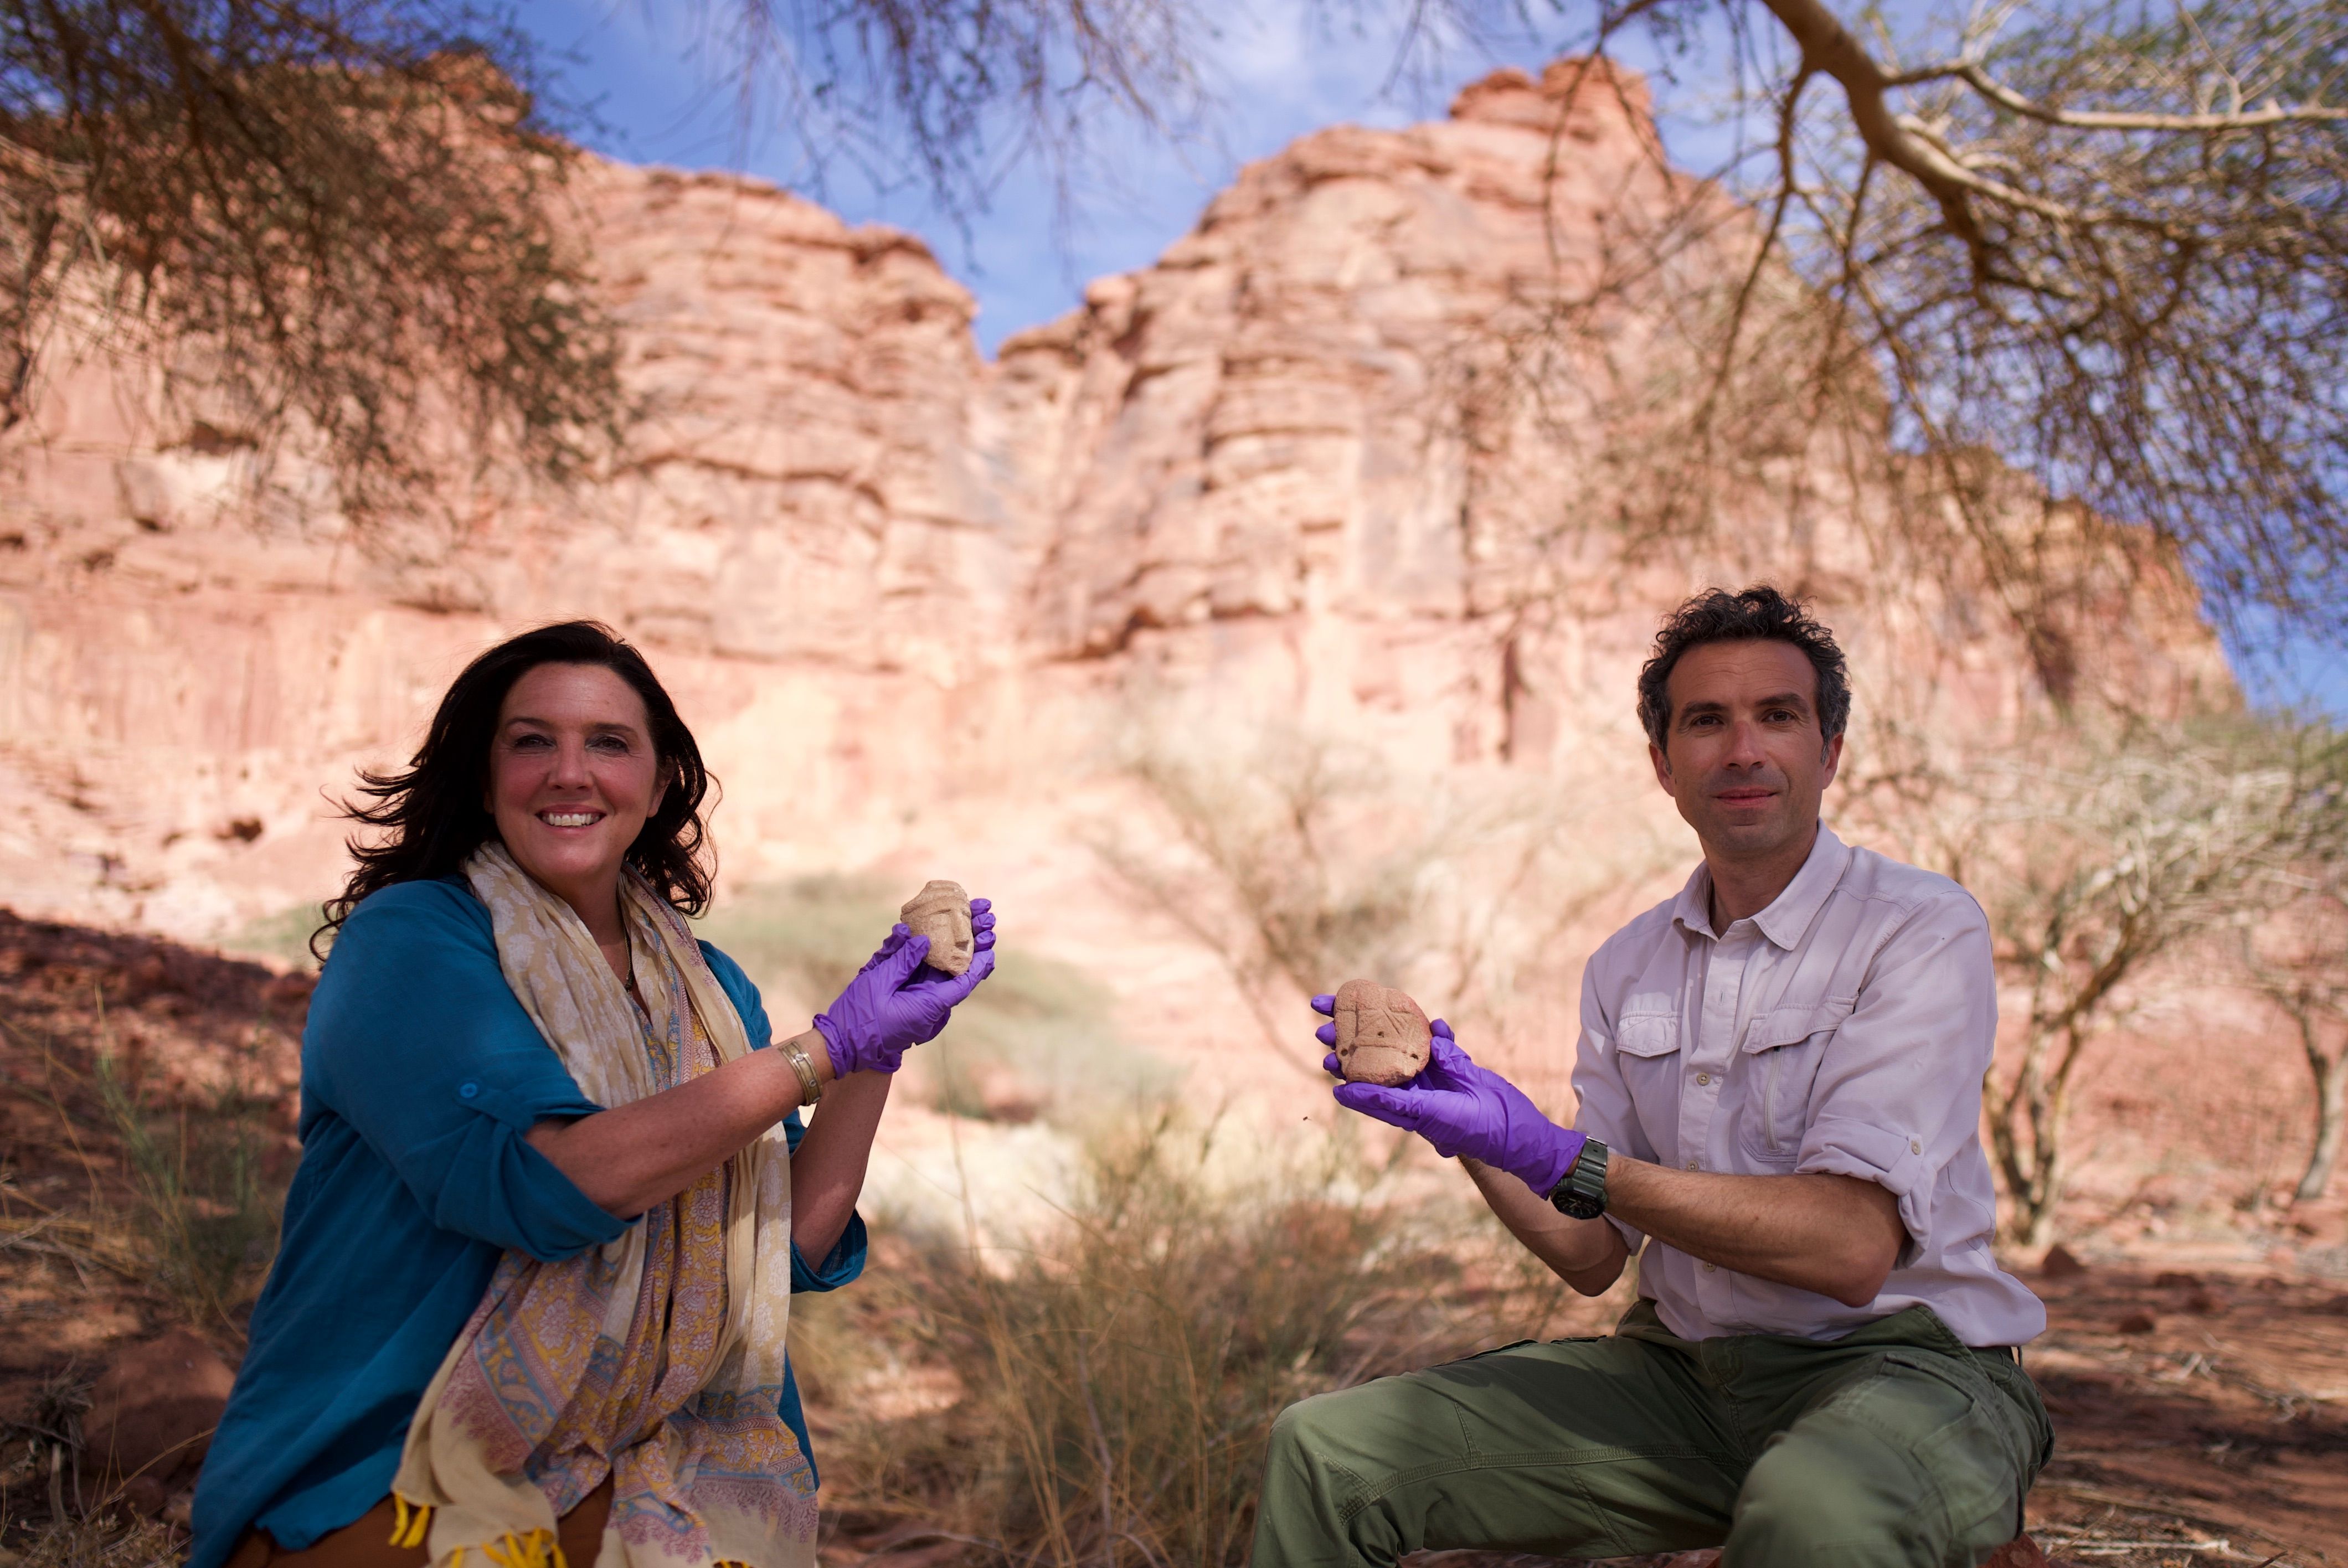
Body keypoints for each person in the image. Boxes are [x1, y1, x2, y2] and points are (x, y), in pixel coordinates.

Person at [1255, 586, 2052, 1568]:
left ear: (1830, 753)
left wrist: (1571, 1160)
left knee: (1817, 1517)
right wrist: (1468, 1135)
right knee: (1327, 1453)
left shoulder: (1919, 928)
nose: (1744, 750)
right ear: (1663, 766)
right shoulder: (1627, 964)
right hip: (1684, 1386)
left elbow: (1851, 1250)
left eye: (1779, 717)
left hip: (1909, 1370)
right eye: (1707, 722)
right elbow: (1593, 1255)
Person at [188, 621, 996, 1568]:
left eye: (608, 743)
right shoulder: (410, 944)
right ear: (484, 778)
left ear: (658, 789)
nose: (570, 772)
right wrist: (822, 1050)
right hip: (397, 1468)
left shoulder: (707, 987)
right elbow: (549, 1187)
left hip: (646, 1459)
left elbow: (783, 1249)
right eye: (532, 741)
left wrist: (877, 1051)